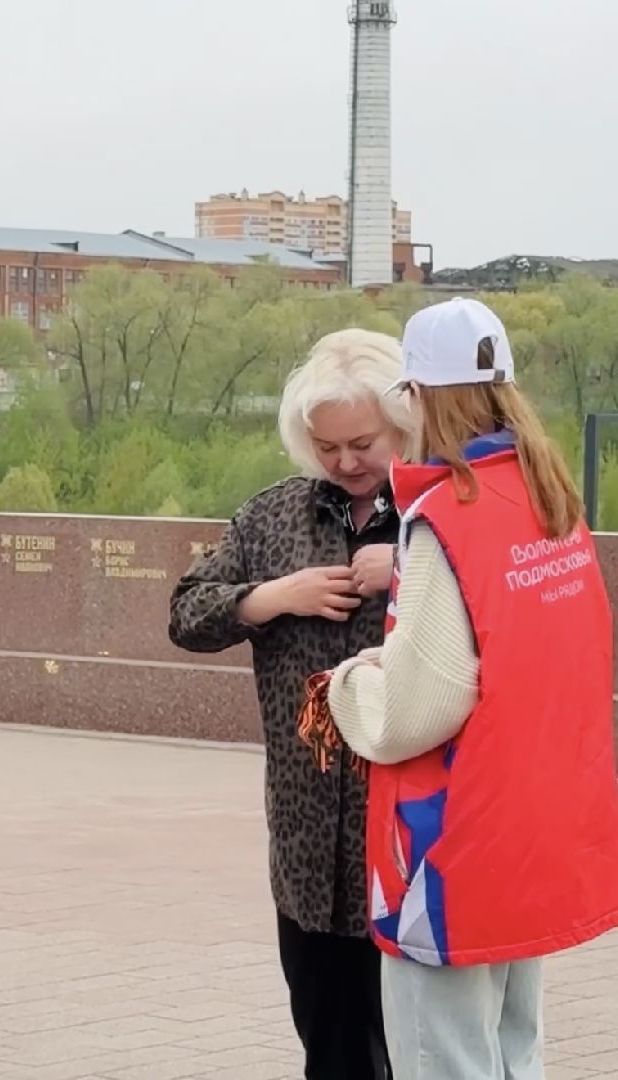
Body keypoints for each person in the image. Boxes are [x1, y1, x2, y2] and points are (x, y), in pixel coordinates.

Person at [325, 299, 618, 1080]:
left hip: (454, 844)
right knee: (515, 1047)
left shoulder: (444, 517)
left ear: (418, 397)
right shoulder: (548, 497)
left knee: (441, 1054)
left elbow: (421, 708)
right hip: (536, 824)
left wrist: (348, 686)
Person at [169, 328, 415, 1080]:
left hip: (408, 840)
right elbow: (186, 613)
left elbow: (495, 620)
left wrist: (403, 568)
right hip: (307, 842)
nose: (345, 463)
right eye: (327, 446)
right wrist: (272, 598)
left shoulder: (439, 518)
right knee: (330, 1045)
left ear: (403, 425)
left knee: (415, 1047)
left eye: (363, 442)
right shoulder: (271, 516)